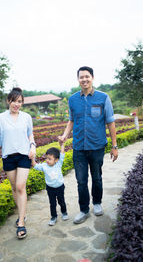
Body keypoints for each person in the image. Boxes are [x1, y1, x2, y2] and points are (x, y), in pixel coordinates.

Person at [58, 66, 118, 224]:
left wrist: (114, 145)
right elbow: (71, 120)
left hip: (97, 146)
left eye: (87, 76)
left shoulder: (103, 98)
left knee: (97, 178)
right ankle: (84, 209)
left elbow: (110, 122)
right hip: (79, 147)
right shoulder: (73, 99)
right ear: (78, 79)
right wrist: (65, 135)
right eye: (81, 77)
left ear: (92, 78)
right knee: (81, 180)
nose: (84, 79)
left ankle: (97, 203)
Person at [0, 87, 36, 239]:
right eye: (14, 101)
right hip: (8, 157)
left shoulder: (26, 117)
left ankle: (21, 223)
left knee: (20, 186)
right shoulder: (0, 118)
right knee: (14, 188)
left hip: (24, 155)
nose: (16, 104)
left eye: (19, 102)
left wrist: (33, 147)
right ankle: (21, 214)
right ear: (8, 101)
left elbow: (30, 134)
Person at [32, 142, 68, 226]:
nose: (47, 160)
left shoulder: (59, 164)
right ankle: (53, 217)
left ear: (56, 160)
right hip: (50, 188)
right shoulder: (44, 166)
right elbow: (35, 166)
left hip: (60, 187)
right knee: (52, 203)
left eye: (49, 159)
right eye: (46, 158)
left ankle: (64, 212)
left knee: (61, 201)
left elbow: (62, 154)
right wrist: (32, 158)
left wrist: (62, 145)